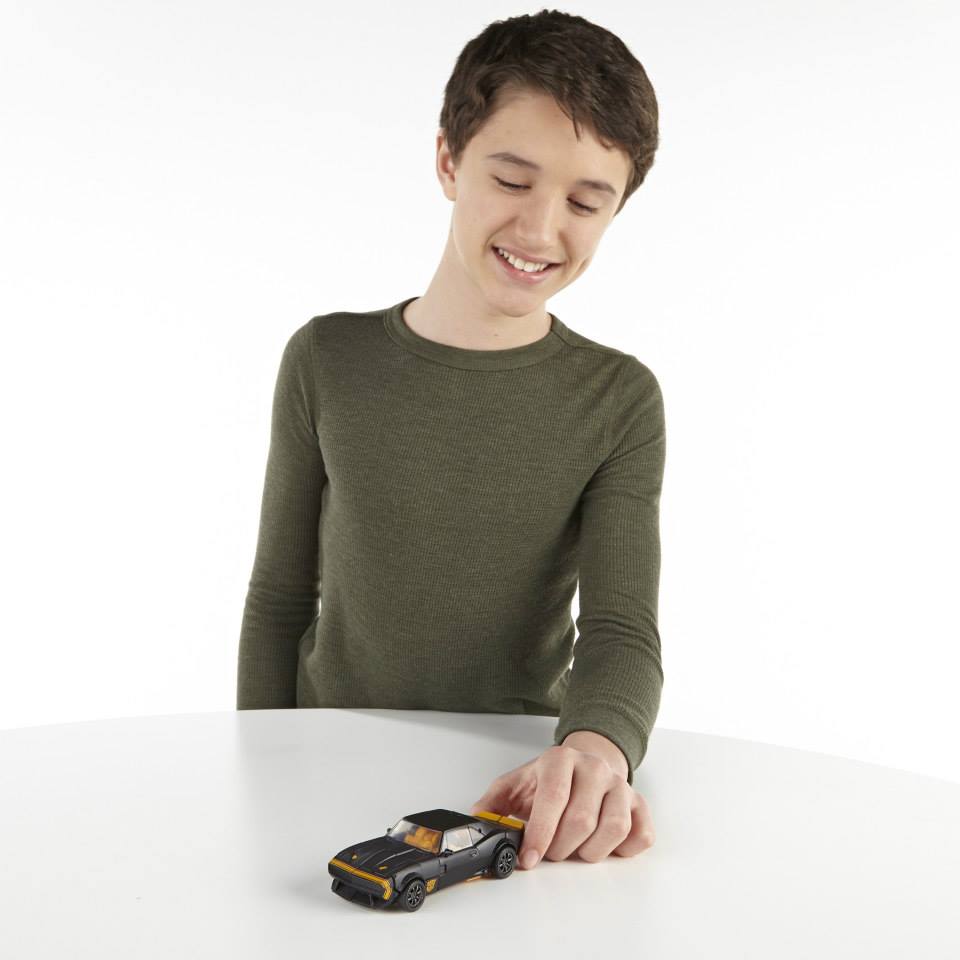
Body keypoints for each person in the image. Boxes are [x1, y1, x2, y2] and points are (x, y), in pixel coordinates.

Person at [236, 9, 666, 872]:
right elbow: (279, 601)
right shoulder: (326, 358)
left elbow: (620, 629)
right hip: (323, 763)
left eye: (586, 202)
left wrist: (594, 749)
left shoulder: (619, 399)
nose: (540, 230)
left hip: (506, 790)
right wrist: (253, 770)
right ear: (447, 161)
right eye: (511, 180)